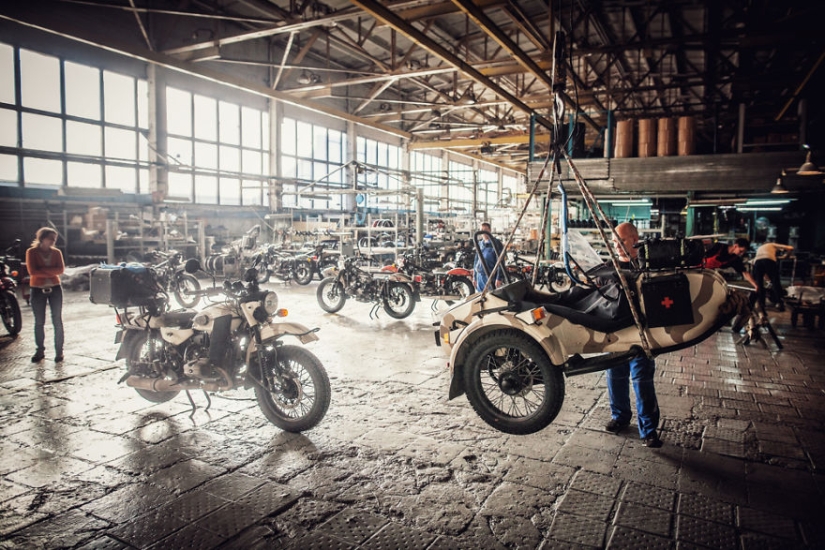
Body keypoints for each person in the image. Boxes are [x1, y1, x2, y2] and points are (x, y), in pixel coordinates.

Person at [604, 222, 662, 448]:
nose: (616, 246)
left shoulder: (646, 266)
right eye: (614, 241)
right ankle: (620, 417)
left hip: (641, 334)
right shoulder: (609, 266)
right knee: (615, 377)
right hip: (615, 333)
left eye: (621, 240)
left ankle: (648, 430)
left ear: (634, 239)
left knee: (642, 381)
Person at [26, 227, 65, 363]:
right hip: (37, 289)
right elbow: (32, 271)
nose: (53, 241)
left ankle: (59, 352)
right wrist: (51, 271)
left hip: (55, 288)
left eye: (55, 239)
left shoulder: (57, 252)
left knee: (57, 321)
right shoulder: (31, 252)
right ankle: (40, 350)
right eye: (51, 239)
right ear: (42, 238)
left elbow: (61, 269)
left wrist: (43, 270)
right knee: (39, 322)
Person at [751, 241, 794, 313]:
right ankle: (779, 303)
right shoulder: (772, 244)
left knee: (759, 284)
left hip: (757, 262)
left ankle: (761, 303)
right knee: (775, 282)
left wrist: (765, 276)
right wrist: (787, 256)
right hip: (769, 261)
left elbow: (754, 263)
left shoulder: (759, 248)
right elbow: (790, 248)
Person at [473, 222, 504, 292]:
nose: (483, 232)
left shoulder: (496, 243)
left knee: (491, 297)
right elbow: (476, 260)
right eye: (482, 230)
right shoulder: (480, 244)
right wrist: (474, 277)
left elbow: (500, 261)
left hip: (490, 275)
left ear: (490, 230)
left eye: (485, 230)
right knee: (481, 298)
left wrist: (499, 278)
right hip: (480, 276)